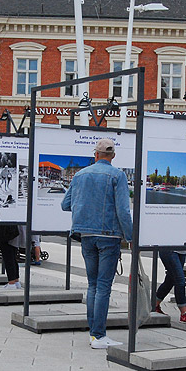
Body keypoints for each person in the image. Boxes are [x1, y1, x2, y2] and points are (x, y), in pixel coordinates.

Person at [61, 138, 132, 349]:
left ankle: (94, 334)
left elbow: (65, 204)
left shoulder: (80, 175)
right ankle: (99, 335)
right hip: (108, 236)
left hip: (86, 236)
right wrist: (130, 236)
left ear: (96, 154)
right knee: (103, 286)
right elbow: (123, 210)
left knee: (92, 284)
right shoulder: (117, 175)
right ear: (113, 156)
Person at [155, 250, 186, 324]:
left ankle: (154, 305)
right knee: (179, 280)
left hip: (182, 250)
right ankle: (184, 313)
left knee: (170, 280)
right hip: (169, 249)